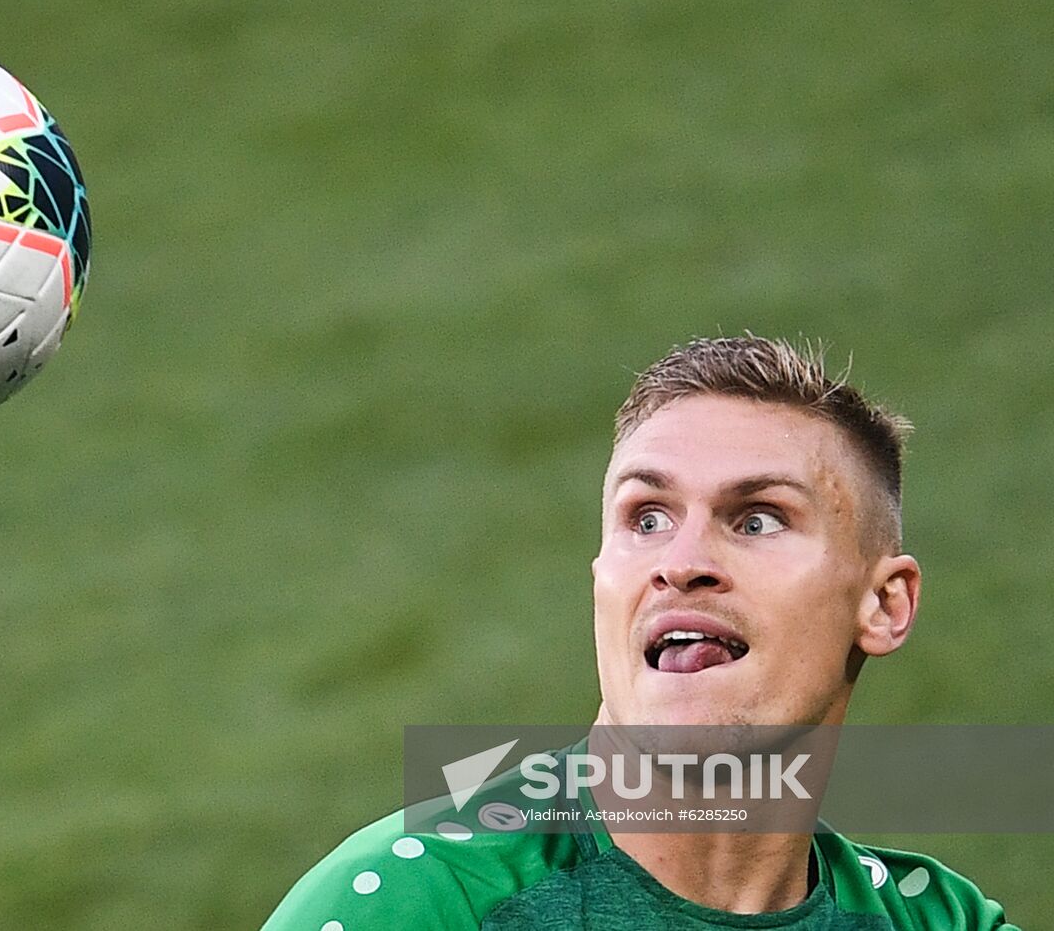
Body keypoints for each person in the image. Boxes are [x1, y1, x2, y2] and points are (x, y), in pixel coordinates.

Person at [261, 335, 1017, 930]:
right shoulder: (419, 904)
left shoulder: (936, 922)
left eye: (757, 518)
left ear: (884, 603)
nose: (682, 562)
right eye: (646, 517)